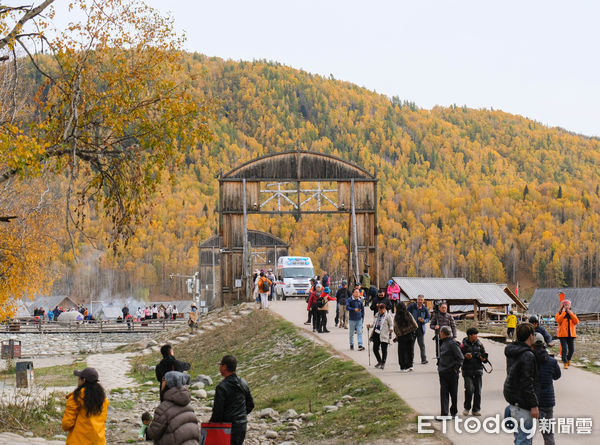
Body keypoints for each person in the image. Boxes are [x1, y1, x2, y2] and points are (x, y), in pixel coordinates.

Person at [503, 322, 539, 445]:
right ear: (530, 336)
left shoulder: (513, 351)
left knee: (519, 437)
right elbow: (527, 382)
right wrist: (534, 405)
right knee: (524, 439)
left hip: (514, 400)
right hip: (523, 403)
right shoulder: (527, 355)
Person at [210, 355, 255, 445]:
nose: (219, 367)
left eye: (220, 364)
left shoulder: (222, 387)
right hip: (242, 425)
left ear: (224, 367)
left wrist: (211, 425)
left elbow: (218, 412)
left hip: (227, 427)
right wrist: (241, 415)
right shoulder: (243, 382)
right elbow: (250, 404)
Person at [147, 371, 200, 445]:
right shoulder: (189, 407)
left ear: (167, 383)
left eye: (163, 380)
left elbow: (153, 433)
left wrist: (147, 426)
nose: (162, 383)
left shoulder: (163, 408)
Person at [62, 367, 109, 444]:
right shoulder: (103, 399)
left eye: (79, 378)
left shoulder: (76, 397)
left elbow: (67, 424)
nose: (78, 380)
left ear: (83, 380)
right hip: (98, 441)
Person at [532, 333, 561, 445]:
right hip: (547, 401)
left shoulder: (529, 360)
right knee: (548, 433)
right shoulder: (551, 361)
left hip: (531, 401)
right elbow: (557, 376)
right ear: (544, 344)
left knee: (526, 432)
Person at [437, 326, 463, 418]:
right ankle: (444, 414)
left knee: (453, 393)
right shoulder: (443, 343)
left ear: (443, 333)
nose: (440, 334)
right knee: (444, 393)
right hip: (443, 372)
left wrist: (455, 368)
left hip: (452, 372)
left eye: (440, 333)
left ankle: (454, 412)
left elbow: (460, 357)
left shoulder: (452, 343)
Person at [460, 327, 487, 416]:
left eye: (476, 334)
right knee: (469, 389)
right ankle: (467, 408)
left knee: (478, 391)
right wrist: (465, 357)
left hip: (478, 370)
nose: (476, 336)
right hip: (467, 370)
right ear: (470, 336)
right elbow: (459, 356)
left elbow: (485, 357)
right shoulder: (463, 345)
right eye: (475, 334)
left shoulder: (480, 344)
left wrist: (483, 359)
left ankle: (476, 410)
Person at [393, 301, 418, 372]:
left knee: (402, 352)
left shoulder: (396, 317)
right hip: (410, 335)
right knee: (410, 350)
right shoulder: (408, 314)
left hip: (401, 337)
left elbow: (396, 328)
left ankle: (403, 367)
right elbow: (415, 325)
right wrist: (410, 330)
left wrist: (399, 335)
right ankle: (410, 365)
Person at [367, 303, 394, 369]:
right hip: (376, 333)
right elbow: (374, 324)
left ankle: (383, 362)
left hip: (384, 334)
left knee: (384, 349)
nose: (380, 311)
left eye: (381, 310)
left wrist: (391, 329)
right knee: (375, 349)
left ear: (385, 309)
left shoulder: (388, 316)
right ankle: (379, 361)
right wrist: (370, 325)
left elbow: (391, 324)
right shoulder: (377, 315)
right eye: (379, 310)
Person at [555, 299, 579, 369]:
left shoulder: (572, 313)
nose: (566, 306)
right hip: (563, 335)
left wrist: (570, 313)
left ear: (570, 305)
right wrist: (564, 313)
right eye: (565, 305)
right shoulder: (559, 313)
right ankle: (565, 362)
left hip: (571, 335)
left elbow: (576, 321)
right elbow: (558, 320)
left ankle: (568, 359)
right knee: (564, 349)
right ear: (562, 306)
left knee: (572, 349)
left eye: (568, 305)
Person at [407, 295, 430, 364]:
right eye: (419, 299)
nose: (420, 301)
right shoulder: (412, 306)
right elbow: (407, 314)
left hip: (420, 329)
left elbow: (428, 318)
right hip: (412, 328)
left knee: (422, 345)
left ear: (423, 301)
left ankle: (423, 359)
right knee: (411, 345)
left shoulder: (424, 309)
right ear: (417, 300)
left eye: (421, 300)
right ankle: (410, 359)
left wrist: (424, 321)